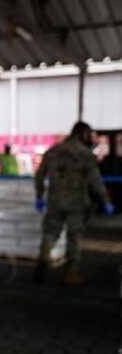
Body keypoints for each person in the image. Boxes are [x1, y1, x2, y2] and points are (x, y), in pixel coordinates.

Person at [33, 121, 115, 285]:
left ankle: (43, 260)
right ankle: (71, 273)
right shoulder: (85, 155)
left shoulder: (52, 151)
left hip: (55, 200)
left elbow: (40, 175)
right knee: (74, 236)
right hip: (77, 202)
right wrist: (105, 201)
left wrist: (39, 196)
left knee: (50, 232)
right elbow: (95, 181)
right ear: (83, 134)